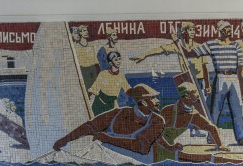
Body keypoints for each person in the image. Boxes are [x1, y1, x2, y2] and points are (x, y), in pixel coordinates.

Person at [178, 20, 243, 146]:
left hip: (234, 79)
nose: (229, 30)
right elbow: (189, 53)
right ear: (220, 30)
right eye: (226, 28)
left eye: (230, 28)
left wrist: (241, 89)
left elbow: (240, 69)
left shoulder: (236, 46)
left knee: (237, 110)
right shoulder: (211, 44)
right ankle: (211, 136)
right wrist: (178, 41)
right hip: (220, 78)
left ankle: (241, 138)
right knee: (215, 110)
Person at [52, 83, 181, 156]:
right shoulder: (119, 113)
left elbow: (142, 147)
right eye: (153, 98)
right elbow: (91, 126)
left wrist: (108, 138)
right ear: (144, 102)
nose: (158, 101)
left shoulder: (157, 121)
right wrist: (65, 139)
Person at [131, 21, 209, 139]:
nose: (192, 32)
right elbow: (160, 49)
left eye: (193, 30)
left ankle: (199, 128)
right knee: (189, 105)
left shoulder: (199, 47)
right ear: (184, 32)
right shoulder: (178, 46)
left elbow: (205, 66)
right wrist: (145, 55)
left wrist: (208, 84)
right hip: (188, 81)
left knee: (201, 106)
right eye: (190, 30)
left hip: (200, 80)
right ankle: (193, 129)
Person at [157, 82, 229, 161]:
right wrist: (169, 147)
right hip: (158, 148)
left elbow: (211, 128)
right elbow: (155, 133)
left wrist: (220, 145)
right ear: (187, 95)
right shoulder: (168, 111)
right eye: (194, 92)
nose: (198, 94)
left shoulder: (193, 114)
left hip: (173, 149)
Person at [88, 51, 131, 116]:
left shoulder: (121, 75)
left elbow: (127, 89)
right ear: (110, 63)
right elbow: (94, 88)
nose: (119, 61)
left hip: (111, 105)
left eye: (119, 59)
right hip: (99, 104)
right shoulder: (103, 74)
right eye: (116, 60)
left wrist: (137, 94)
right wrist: (89, 97)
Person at [75, 25, 99, 90]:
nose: (87, 32)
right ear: (80, 33)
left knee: (94, 89)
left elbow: (95, 60)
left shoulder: (91, 46)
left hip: (93, 70)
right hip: (84, 71)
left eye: (87, 30)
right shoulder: (77, 47)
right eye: (84, 30)